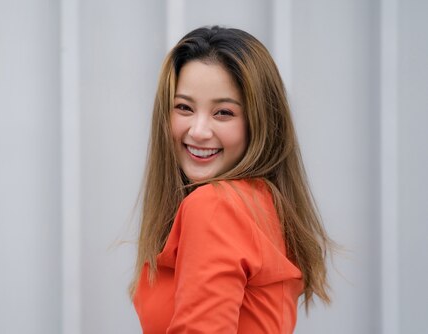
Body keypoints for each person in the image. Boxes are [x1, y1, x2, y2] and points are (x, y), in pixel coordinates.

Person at [130, 26, 334, 333]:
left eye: (223, 112)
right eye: (184, 107)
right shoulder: (262, 205)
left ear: (260, 121)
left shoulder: (214, 206)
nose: (198, 131)